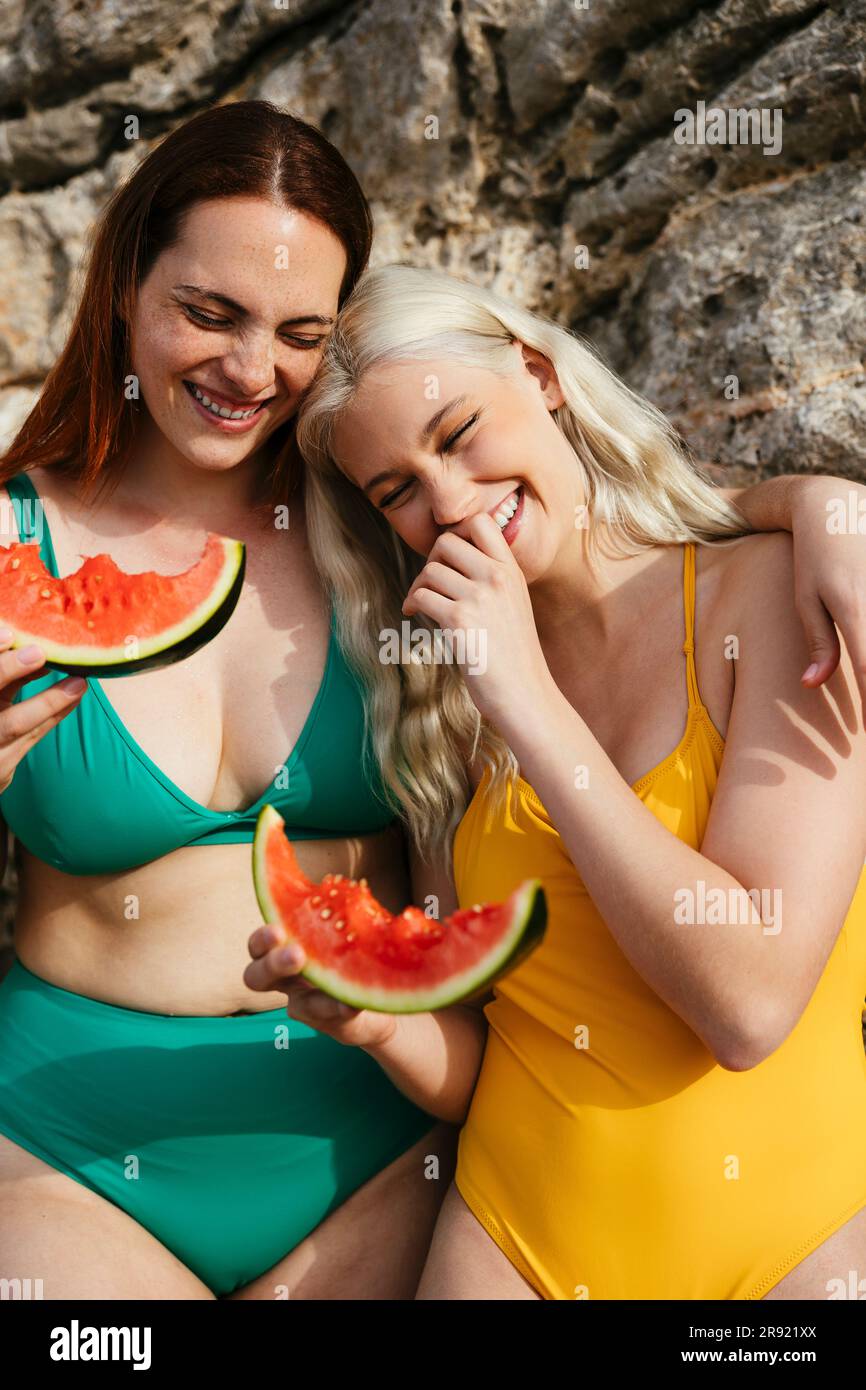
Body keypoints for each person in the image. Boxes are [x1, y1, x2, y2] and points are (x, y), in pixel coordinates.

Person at [246, 263, 866, 1300]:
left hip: (788, 1250)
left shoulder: (766, 595)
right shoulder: (442, 713)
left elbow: (747, 1006)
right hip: (509, 1246)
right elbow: (483, 1055)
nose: (446, 502)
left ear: (537, 376)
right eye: (394, 489)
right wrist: (370, 1015)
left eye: (455, 435)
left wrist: (525, 699)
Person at [0, 102, 463, 1302]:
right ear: (122, 286)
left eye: (299, 333)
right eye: (209, 314)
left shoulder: (390, 516)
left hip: (382, 1155)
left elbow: (616, 526)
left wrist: (819, 507)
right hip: (63, 1159)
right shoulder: (11, 534)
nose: (251, 371)